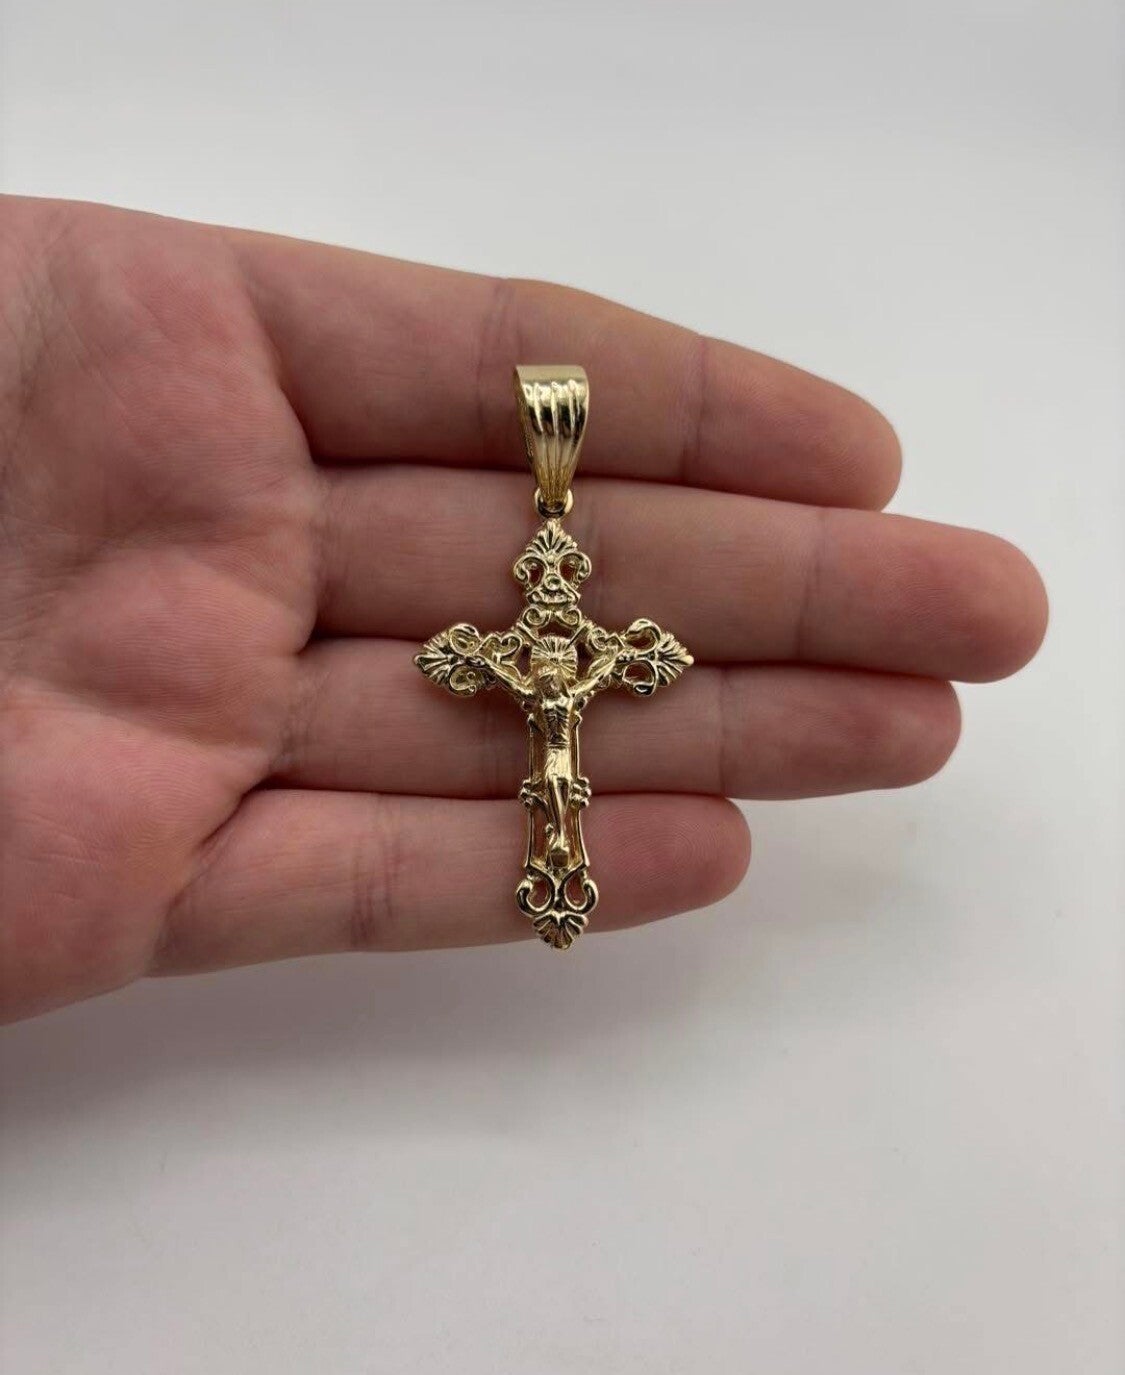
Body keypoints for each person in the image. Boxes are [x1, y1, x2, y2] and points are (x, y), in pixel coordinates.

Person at [0, 196, 1048, 1023]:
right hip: (552, 748)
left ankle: (558, 881)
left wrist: (607, 662)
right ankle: (556, 881)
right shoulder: (524, 664)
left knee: (557, 791)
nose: (546, 645)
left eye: (554, 642)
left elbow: (637, 659)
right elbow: (463, 661)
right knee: (553, 791)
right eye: (539, 644)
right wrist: (499, 663)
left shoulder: (579, 670)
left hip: (563, 749)